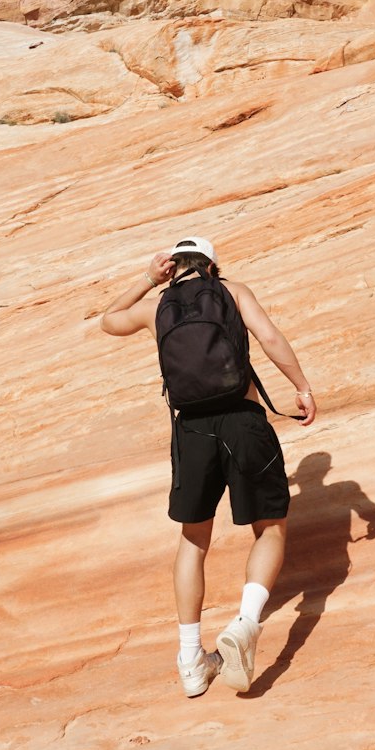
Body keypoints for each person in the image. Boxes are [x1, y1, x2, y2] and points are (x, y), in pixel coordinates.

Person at [100, 235, 316, 698]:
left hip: (191, 431)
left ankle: (190, 659)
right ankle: (244, 624)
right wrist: (302, 386)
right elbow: (271, 337)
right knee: (270, 526)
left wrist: (145, 280)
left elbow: (107, 320)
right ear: (212, 267)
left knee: (194, 540)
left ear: (172, 268)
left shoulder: (155, 308)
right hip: (243, 421)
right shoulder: (232, 292)